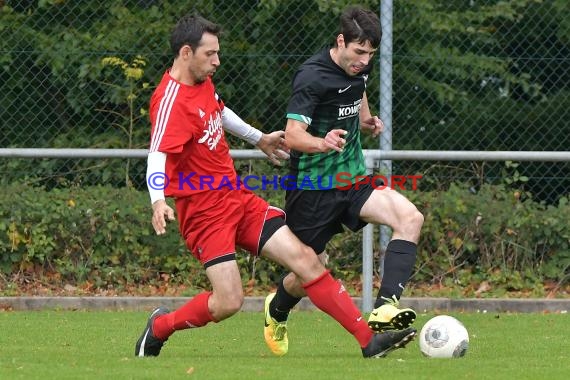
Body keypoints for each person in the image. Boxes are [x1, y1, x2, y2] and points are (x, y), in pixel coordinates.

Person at [134, 13, 416, 359]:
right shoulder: (168, 100)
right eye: (211, 54)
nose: (217, 61)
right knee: (228, 302)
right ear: (186, 53)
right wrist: (157, 200)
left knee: (307, 260)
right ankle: (160, 327)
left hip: (236, 197)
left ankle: (367, 341)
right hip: (203, 213)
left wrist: (260, 138)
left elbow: (219, 112)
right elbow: (156, 154)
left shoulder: (202, 82)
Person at [263, 6, 424, 357]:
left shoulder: (359, 70)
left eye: (370, 55)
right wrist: (322, 142)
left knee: (410, 217)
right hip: (312, 190)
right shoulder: (312, 76)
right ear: (341, 41)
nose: (364, 61)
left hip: (352, 179)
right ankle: (277, 309)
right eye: (358, 52)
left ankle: (384, 308)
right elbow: (292, 135)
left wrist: (366, 120)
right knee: (311, 270)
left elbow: (357, 90)